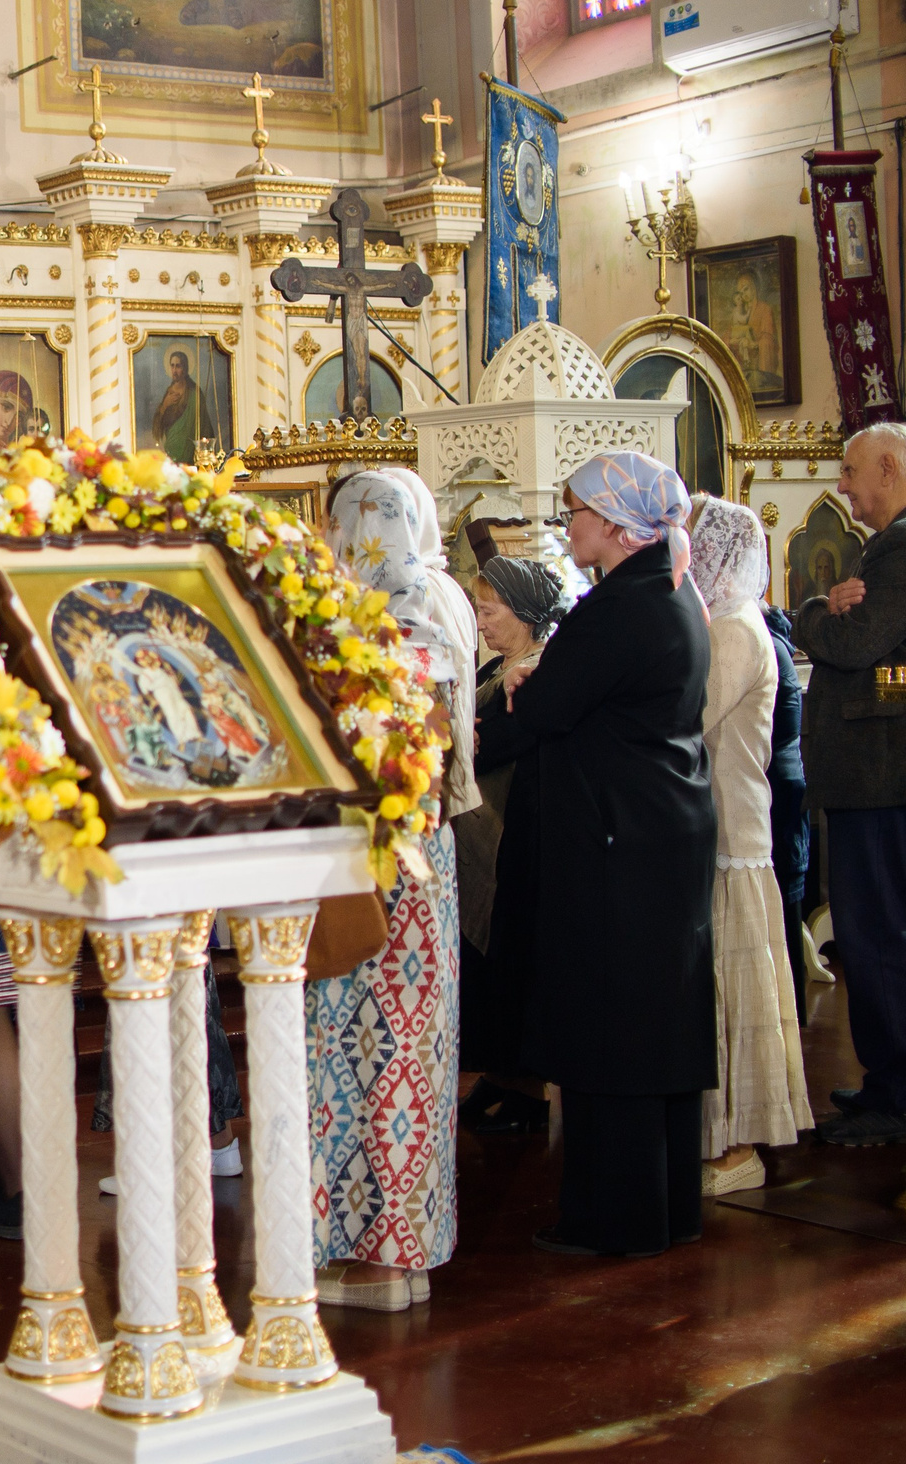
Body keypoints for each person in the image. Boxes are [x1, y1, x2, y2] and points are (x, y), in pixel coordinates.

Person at [479, 450, 716, 1258]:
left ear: (616, 523)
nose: (566, 523)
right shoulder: (666, 590)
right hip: (658, 832)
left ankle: (612, 1217)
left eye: (577, 509)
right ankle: (665, 1204)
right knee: (656, 1026)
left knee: (610, 1025)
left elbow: (546, 704)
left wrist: (523, 686)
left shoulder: (623, 605)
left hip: (619, 840)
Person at [307, 470, 478, 1311]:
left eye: (353, 521)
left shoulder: (395, 607)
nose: (349, 537)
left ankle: (379, 1255)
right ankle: (401, 1252)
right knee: (405, 1053)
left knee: (376, 1054)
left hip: (382, 856)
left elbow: (402, 742)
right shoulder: (441, 590)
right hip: (420, 859)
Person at [797, 423, 906, 1146]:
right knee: (869, 932)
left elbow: (853, 640)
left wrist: (811, 611)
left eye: (851, 470)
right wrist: (832, 609)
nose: (842, 485)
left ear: (891, 468)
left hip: (886, 761)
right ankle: (893, 1080)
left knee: (877, 933)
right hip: (880, 761)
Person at [690, 496, 815, 1194]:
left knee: (735, 990)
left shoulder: (737, 629)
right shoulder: (725, 623)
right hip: (719, 825)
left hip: (733, 827)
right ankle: (717, 1132)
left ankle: (737, 1142)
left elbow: (693, 714)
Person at [455, 556, 567, 1136]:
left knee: (512, 962)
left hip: (519, 834)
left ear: (524, 615)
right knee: (491, 968)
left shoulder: (538, 671)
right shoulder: (499, 667)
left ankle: (525, 1088)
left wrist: (461, 736)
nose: (480, 620)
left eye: (488, 609)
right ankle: (500, 1078)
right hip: (492, 833)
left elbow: (501, 739)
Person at [762, 600, 813, 1024]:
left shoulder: (764, 644)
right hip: (783, 784)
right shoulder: (773, 638)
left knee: (784, 903)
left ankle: (791, 1011)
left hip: (777, 789)